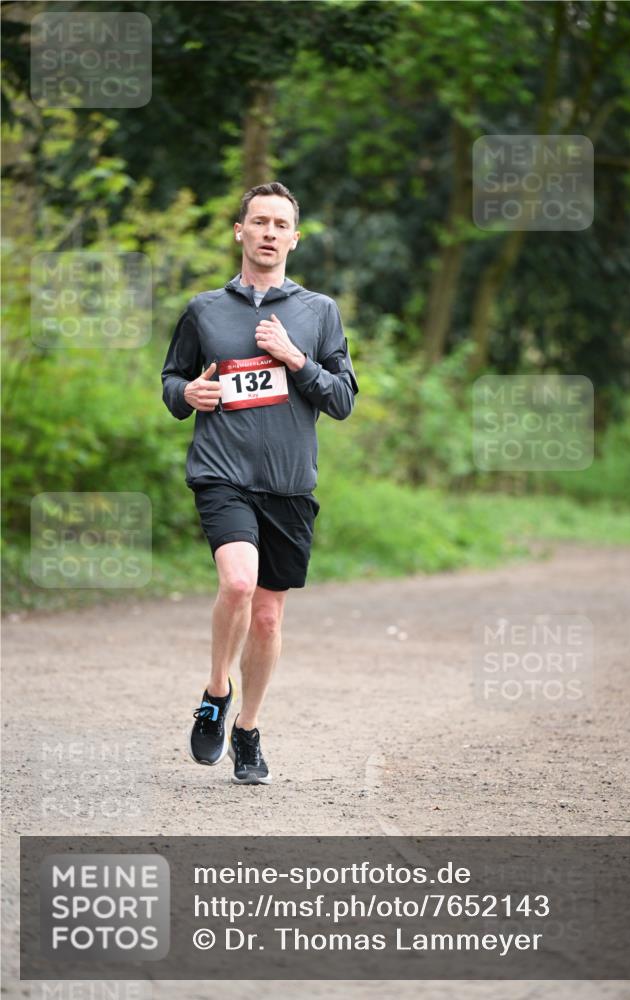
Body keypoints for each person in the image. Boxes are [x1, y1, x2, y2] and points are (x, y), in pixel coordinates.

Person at [161, 181, 358, 785]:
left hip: (290, 483)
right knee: (239, 583)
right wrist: (187, 394)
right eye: (260, 221)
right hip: (223, 473)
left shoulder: (318, 312)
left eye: (281, 224)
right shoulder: (204, 310)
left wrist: (296, 358)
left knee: (269, 618)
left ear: (294, 239)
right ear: (240, 232)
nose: (269, 232)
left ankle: (247, 729)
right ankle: (216, 691)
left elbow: (344, 399)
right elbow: (173, 381)